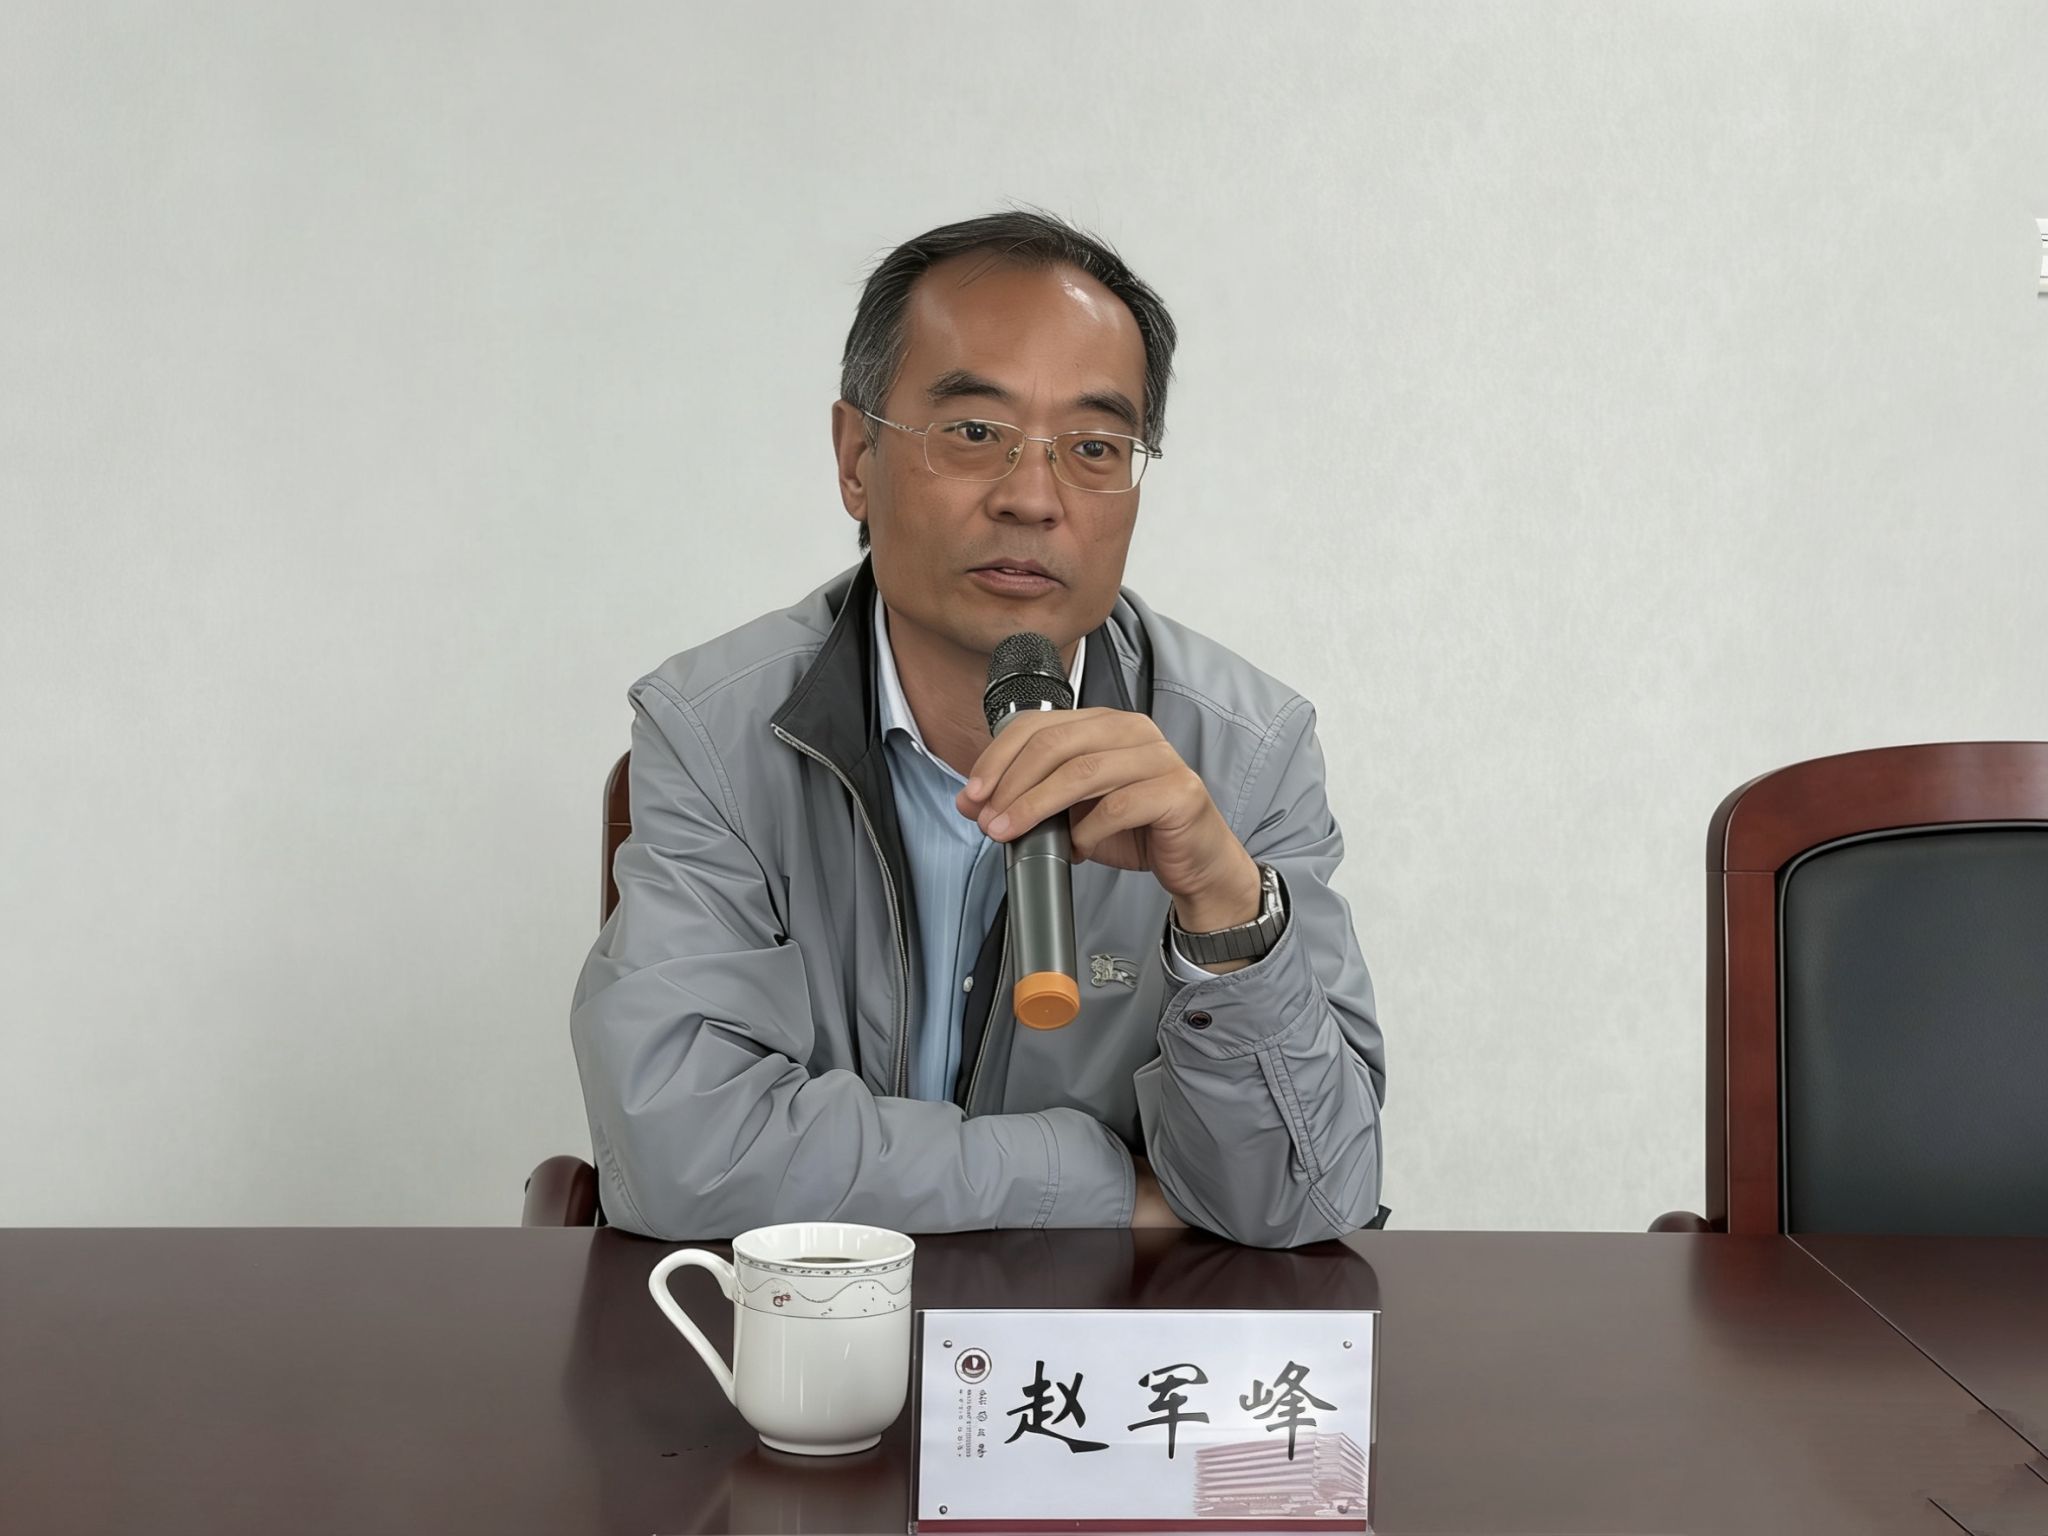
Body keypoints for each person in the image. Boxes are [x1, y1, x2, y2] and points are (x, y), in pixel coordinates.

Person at [570, 211, 1384, 1247]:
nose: (1032, 499)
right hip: (803, 1335)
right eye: (972, 433)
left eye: (1094, 447)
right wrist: (1100, 1184)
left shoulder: (1246, 751)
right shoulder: (713, 730)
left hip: (1103, 1344)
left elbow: (1310, 1199)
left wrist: (1225, 918)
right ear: (856, 458)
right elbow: (682, 1157)